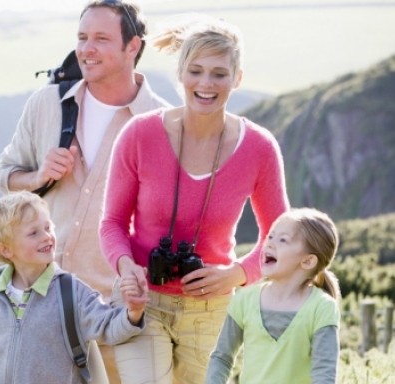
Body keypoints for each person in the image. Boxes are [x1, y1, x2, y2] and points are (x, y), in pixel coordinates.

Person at [99, 15, 290, 384]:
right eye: (196, 71)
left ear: (237, 79)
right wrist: (126, 266)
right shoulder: (139, 134)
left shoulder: (259, 148)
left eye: (219, 74)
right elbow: (112, 223)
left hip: (212, 311)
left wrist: (237, 274)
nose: (206, 84)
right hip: (142, 301)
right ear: (180, 75)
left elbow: (280, 238)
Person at [0, 1, 169, 378]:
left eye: (101, 39)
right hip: (43, 308)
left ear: (132, 47)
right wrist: (38, 176)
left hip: (119, 314)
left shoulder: (163, 124)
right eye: (82, 37)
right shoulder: (47, 103)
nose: (86, 49)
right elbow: (6, 175)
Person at [0, 191, 148, 384]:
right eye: (33, 233)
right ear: (5, 249)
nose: (47, 237)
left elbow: (108, 327)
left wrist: (134, 312)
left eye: (48, 227)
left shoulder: (71, 293)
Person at [206, 208, 341, 384]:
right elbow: (222, 357)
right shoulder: (244, 300)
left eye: (283, 240)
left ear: (307, 261)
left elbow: (324, 374)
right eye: (270, 236)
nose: (269, 244)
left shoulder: (322, 307)